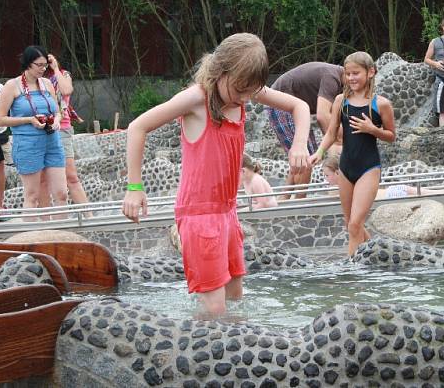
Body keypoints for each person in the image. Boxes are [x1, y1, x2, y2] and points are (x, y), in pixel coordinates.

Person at [122, 33, 311, 317]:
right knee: (215, 308)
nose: (246, 99)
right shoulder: (196, 99)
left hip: (227, 213)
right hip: (199, 217)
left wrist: (298, 143)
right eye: (240, 91)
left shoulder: (243, 90)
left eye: (251, 92)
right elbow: (137, 127)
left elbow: (301, 107)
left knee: (235, 297)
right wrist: (134, 187)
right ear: (221, 73)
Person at [310, 52, 396, 256]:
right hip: (346, 168)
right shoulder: (341, 101)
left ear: (371, 72)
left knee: (355, 224)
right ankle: (377, 254)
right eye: (348, 74)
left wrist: (372, 129)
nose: (351, 78)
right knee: (350, 223)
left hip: (369, 167)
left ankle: (352, 271)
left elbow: (392, 136)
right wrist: (319, 152)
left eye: (356, 73)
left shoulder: (381, 104)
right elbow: (331, 133)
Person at [0, 46, 67, 217]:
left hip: (52, 141)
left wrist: (57, 119)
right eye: (39, 65)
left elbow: (58, 111)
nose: (43, 69)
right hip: (27, 143)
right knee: (32, 195)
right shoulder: (12, 86)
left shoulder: (48, 83)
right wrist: (28, 120)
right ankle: (31, 238)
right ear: (28, 64)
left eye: (45, 65)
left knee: (61, 194)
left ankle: (62, 235)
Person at [266, 62, 343, 198]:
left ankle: (284, 200)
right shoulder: (332, 78)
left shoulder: (340, 86)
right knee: (304, 158)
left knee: (306, 157)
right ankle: (299, 203)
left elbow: (333, 122)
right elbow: (323, 116)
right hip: (282, 102)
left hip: (298, 109)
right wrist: (335, 144)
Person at [38, 53, 88, 207]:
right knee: (43, 179)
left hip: (62, 128)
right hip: (41, 129)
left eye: (47, 62)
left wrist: (55, 68)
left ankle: (89, 215)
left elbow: (66, 91)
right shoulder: (35, 80)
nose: (44, 65)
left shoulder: (63, 74)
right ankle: (47, 220)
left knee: (71, 176)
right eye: (40, 63)